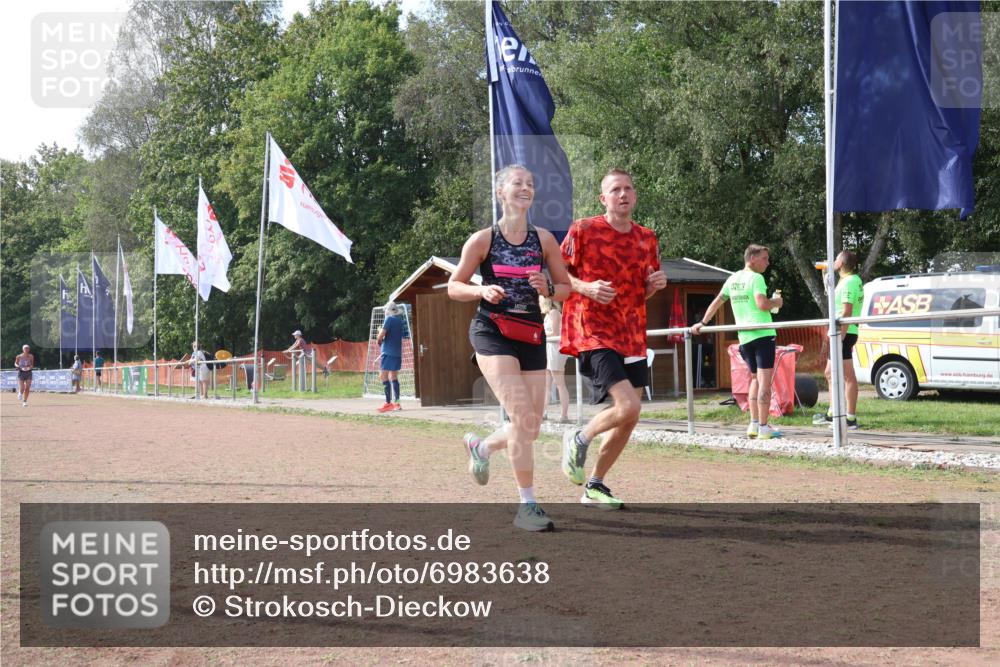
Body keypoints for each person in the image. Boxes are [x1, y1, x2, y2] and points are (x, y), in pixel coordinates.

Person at [448, 165, 571, 532]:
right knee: (521, 417)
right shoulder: (483, 239)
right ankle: (528, 505)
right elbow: (454, 286)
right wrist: (481, 290)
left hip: (531, 333)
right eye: (518, 183)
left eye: (530, 184)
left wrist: (547, 287)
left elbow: (565, 287)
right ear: (501, 192)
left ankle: (482, 449)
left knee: (531, 426)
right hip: (492, 332)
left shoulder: (544, 240)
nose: (526, 188)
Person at [559, 169, 667, 510]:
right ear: (603, 199)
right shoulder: (584, 229)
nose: (623, 194)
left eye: (628, 189)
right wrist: (586, 287)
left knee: (630, 416)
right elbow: (557, 274)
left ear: (635, 196)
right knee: (629, 405)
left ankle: (595, 484)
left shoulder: (647, 238)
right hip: (593, 329)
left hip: (631, 332)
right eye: (615, 190)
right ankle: (579, 437)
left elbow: (641, 291)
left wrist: (653, 286)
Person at [692, 244, 784, 439]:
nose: (768, 263)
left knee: (754, 379)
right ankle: (764, 427)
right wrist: (776, 302)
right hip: (762, 334)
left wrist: (702, 322)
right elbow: (762, 304)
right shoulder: (756, 278)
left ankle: (753, 424)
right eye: (764, 258)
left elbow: (717, 301)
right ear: (752, 259)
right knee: (765, 382)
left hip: (745, 337)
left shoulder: (732, 279)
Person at [814, 250, 863, 430]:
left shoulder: (850, 281)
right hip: (841, 332)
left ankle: (849, 418)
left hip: (844, 332)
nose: (833, 261)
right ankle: (833, 412)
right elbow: (832, 297)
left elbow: (847, 311)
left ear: (841, 263)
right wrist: (825, 273)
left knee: (847, 375)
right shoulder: (847, 280)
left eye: (835, 259)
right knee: (829, 372)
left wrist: (840, 336)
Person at [540, 296, 569, 423]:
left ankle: (564, 415)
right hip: (548, 348)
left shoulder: (553, 313)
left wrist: (540, 334)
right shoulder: (548, 314)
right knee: (546, 385)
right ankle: (543, 412)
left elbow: (555, 333)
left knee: (559, 384)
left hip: (554, 348)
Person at [375, 301, 405, 413]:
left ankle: (388, 403)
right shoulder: (399, 321)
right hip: (397, 353)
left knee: (383, 376)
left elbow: (381, 336)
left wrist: (379, 337)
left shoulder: (389, 319)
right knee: (394, 378)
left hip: (387, 352)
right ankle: (397, 403)